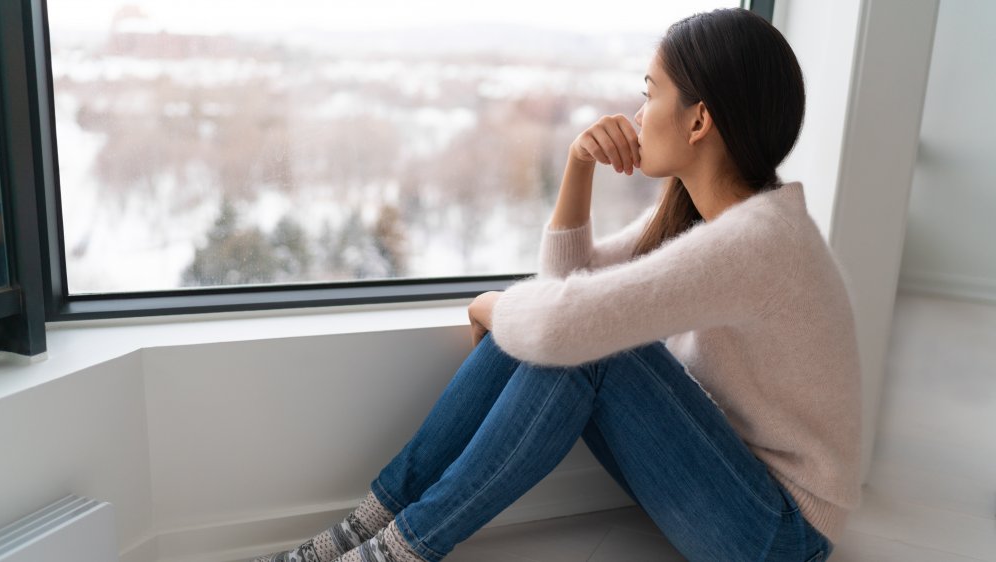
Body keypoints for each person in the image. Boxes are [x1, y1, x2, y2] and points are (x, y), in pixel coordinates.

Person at [254, 7, 861, 562]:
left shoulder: (757, 242)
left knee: (580, 341)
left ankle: (396, 551)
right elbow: (566, 291)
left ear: (699, 119)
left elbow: (561, 325)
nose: (638, 112)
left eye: (650, 93)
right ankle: (365, 527)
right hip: (717, 474)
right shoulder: (709, 217)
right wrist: (578, 165)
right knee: (565, 332)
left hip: (778, 533)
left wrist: (492, 304)